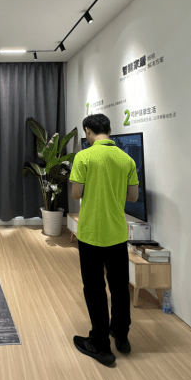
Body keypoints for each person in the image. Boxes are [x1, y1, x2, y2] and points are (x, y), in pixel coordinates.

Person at [69, 113, 139, 366]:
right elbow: (133, 197)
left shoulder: (84, 157)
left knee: (95, 288)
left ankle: (100, 344)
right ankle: (121, 335)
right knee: (120, 287)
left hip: (91, 233)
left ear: (88, 131)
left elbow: (76, 193)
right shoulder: (126, 159)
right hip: (117, 234)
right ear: (109, 131)